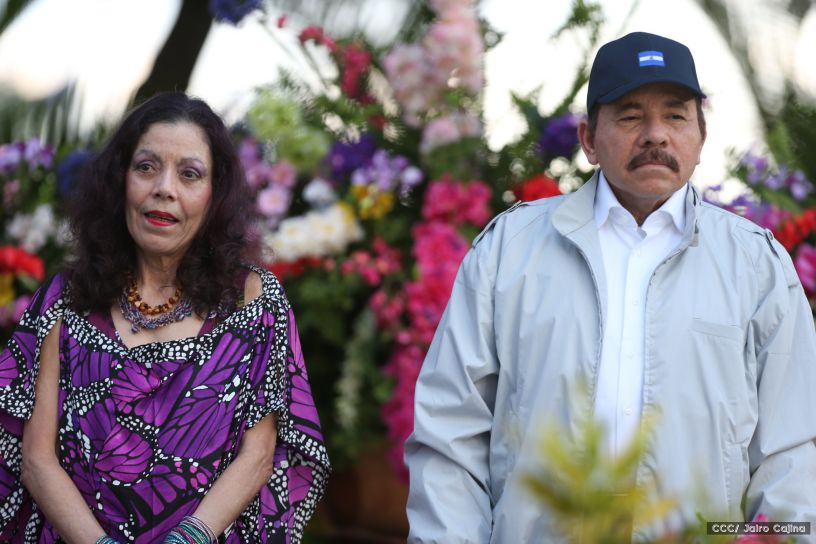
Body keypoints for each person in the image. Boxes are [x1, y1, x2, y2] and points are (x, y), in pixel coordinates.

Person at [405, 31, 816, 542]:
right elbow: (450, 433)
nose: (655, 135)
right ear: (588, 140)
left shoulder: (756, 264)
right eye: (629, 115)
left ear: (701, 137)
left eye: (675, 115)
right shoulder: (508, 250)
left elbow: (794, 454)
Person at [0, 92, 330, 543]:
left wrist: (189, 537)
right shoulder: (65, 299)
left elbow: (259, 453)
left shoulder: (253, 301)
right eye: (146, 167)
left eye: (189, 174)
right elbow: (37, 457)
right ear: (120, 180)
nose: (165, 189)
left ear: (215, 196)